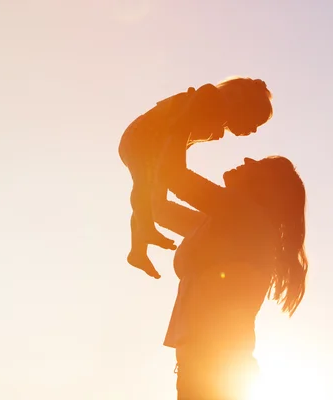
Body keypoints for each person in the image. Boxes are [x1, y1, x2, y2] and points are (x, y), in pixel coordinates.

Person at [153, 131, 309, 399]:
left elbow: (174, 177)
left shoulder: (245, 214)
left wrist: (183, 121)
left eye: (256, 166)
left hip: (215, 371)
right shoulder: (220, 221)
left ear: (264, 188)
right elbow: (158, 209)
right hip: (202, 370)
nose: (247, 160)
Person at [118, 77, 273, 279]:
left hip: (156, 148)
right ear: (239, 101)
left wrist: (173, 170)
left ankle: (137, 251)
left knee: (151, 200)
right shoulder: (209, 98)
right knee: (144, 188)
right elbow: (177, 130)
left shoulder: (213, 116)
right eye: (254, 121)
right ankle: (145, 230)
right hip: (143, 139)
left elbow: (178, 139)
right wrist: (175, 172)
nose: (252, 130)